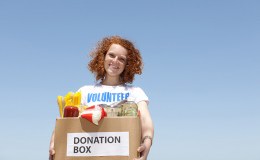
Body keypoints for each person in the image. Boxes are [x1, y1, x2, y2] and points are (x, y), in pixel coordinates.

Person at [49, 36, 154, 160]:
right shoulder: (84, 91)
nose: (115, 61)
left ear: (127, 64)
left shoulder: (135, 92)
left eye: (122, 59)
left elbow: (146, 123)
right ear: (103, 57)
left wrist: (147, 141)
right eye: (111, 55)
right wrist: (54, 144)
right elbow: (65, 122)